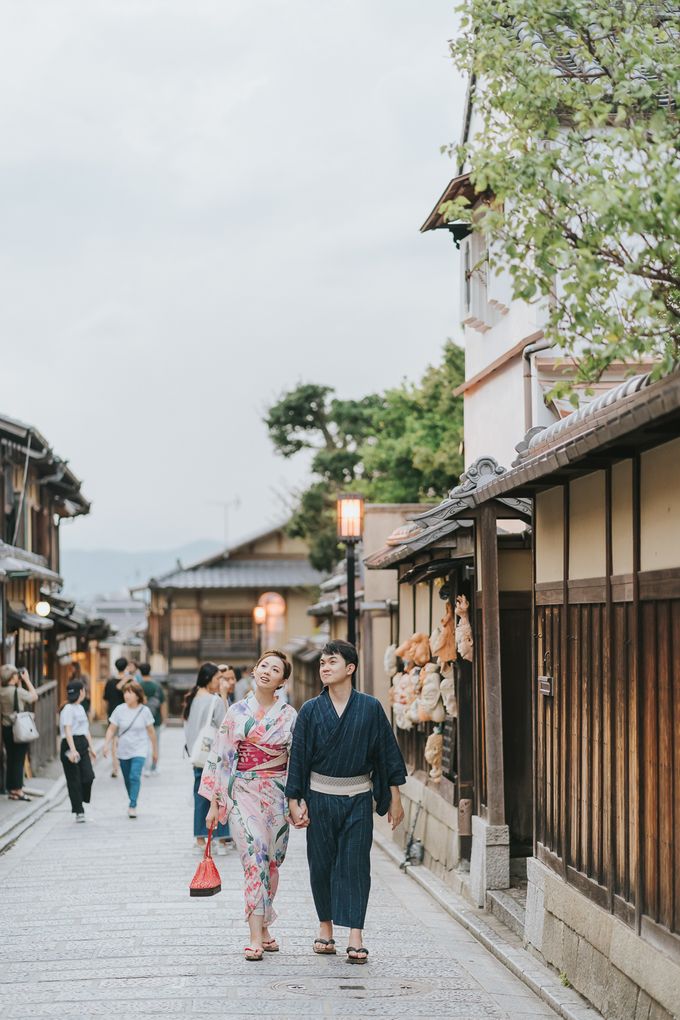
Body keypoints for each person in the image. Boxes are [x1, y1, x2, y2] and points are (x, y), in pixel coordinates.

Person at [285, 639, 406, 965]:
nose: (324, 667)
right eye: (322, 662)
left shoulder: (369, 707)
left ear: (350, 668)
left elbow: (386, 754)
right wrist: (294, 798)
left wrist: (395, 797)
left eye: (332, 662)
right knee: (321, 864)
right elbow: (299, 758)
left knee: (355, 865)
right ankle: (325, 927)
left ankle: (356, 933)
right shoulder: (310, 710)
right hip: (320, 797)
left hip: (357, 798)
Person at [200, 650, 297, 962]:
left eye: (275, 669)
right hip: (242, 791)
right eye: (263, 666)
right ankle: (255, 935)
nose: (267, 671)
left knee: (272, 861)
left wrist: (297, 800)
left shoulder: (289, 716)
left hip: (278, 793)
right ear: (255, 671)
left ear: (283, 680)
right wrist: (216, 803)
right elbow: (221, 756)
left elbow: (298, 761)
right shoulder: (236, 712)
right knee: (254, 855)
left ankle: (264, 925)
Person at [183, 663, 231, 853]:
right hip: (213, 756)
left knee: (200, 796)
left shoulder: (191, 698)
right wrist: (224, 696)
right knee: (218, 794)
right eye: (218, 678)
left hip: (197, 755)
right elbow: (226, 725)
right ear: (209, 678)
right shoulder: (215, 700)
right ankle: (220, 840)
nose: (221, 681)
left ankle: (200, 839)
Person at [103, 680, 157, 818]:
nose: (126, 695)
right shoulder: (119, 710)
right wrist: (106, 745)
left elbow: (151, 733)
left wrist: (155, 751)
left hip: (140, 749)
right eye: (125, 692)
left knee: (134, 776)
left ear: (138, 695)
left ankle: (132, 805)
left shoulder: (145, 711)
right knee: (127, 779)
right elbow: (111, 729)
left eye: (130, 692)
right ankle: (132, 798)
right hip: (123, 750)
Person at [59, 680, 97, 822]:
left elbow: (85, 729)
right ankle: (78, 810)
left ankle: (82, 799)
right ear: (81, 692)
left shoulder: (80, 708)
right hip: (70, 745)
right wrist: (73, 750)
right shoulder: (67, 709)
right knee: (73, 779)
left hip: (82, 743)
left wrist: (91, 748)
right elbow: (68, 730)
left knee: (88, 776)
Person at [0, 664, 38, 801]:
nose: (18, 676)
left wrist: (19, 684)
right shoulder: (17, 692)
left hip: (6, 729)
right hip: (19, 728)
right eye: (16, 674)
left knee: (11, 758)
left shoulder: (2, 691)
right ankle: (18, 790)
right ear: (12, 677)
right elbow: (34, 696)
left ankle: (11, 789)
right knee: (19, 759)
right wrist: (27, 680)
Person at [103, 657, 129, 778]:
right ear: (126, 666)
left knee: (114, 741)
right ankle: (125, 764)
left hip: (112, 713)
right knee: (124, 739)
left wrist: (105, 713)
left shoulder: (110, 682)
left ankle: (115, 768)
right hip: (127, 714)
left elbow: (106, 700)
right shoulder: (128, 681)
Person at [139, 663, 165, 776]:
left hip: (141, 720)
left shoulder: (138, 686)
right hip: (156, 719)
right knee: (156, 743)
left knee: (144, 744)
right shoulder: (157, 686)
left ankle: (146, 768)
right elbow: (163, 703)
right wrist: (163, 718)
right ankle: (154, 767)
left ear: (140, 672)